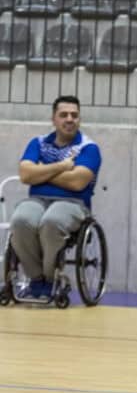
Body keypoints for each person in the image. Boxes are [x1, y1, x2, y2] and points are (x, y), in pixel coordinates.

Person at [10, 95, 102, 299]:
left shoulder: (89, 148)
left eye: (74, 115)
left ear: (79, 119)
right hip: (37, 200)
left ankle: (50, 279)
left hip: (73, 203)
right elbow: (26, 175)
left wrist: (42, 171)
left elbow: (77, 182)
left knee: (51, 221)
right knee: (21, 220)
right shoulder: (38, 143)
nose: (70, 119)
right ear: (54, 119)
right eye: (64, 115)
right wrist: (61, 167)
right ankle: (36, 278)